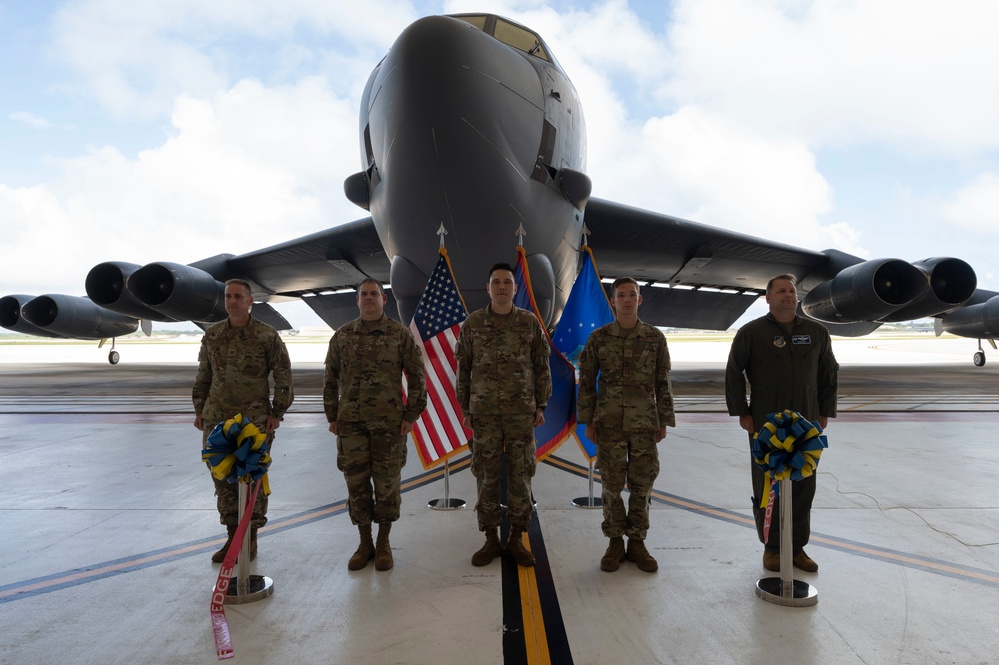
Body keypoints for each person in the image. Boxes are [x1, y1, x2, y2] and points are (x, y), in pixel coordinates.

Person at [725, 274, 838, 573]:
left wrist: (825, 410)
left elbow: (828, 373)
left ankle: (797, 547)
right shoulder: (751, 333)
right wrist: (742, 412)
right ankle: (771, 548)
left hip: (806, 422)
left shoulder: (817, 332)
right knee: (767, 485)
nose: (788, 295)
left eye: (792, 291)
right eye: (781, 291)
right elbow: (734, 372)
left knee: (803, 483)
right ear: (768, 298)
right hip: (765, 422)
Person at [324, 278, 427, 571]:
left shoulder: (399, 335)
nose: (369, 298)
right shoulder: (342, 336)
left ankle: (383, 542)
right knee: (356, 484)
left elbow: (418, 375)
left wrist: (411, 414)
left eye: (374, 294)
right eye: (363, 294)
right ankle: (364, 542)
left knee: (386, 486)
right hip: (351, 426)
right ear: (357, 301)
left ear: (384, 299)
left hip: (389, 426)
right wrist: (332, 415)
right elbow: (330, 379)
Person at [577, 277, 675, 573]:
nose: (627, 300)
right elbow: (586, 384)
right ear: (613, 301)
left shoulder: (655, 338)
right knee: (611, 485)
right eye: (621, 295)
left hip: (645, 423)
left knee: (642, 484)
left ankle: (637, 542)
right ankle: (615, 542)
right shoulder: (599, 338)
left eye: (632, 295)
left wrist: (664, 419)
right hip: (609, 424)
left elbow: (663, 380)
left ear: (640, 299)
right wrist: (588, 421)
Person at [456, 262, 551, 568]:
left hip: (521, 414)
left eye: (507, 282)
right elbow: (464, 370)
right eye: (495, 282)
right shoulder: (472, 324)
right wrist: (466, 408)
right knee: (486, 476)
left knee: (521, 475)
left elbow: (541, 367)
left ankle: (517, 539)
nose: (501, 287)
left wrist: (541, 405)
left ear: (514, 288)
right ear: (488, 288)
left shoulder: (528, 323)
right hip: (483, 415)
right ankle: (491, 539)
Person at [193, 278, 294, 563]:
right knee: (222, 481)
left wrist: (277, 412)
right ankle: (231, 537)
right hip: (216, 422)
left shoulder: (266, 335)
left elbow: (283, 375)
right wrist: (200, 410)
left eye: (238, 296)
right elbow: (203, 376)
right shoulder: (213, 335)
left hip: (253, 422)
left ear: (250, 301)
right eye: (228, 297)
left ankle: (249, 539)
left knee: (251, 480)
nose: (232, 301)